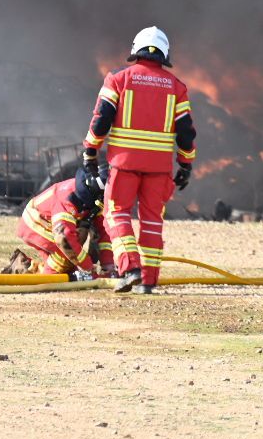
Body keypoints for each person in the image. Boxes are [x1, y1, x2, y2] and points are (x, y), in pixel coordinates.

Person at [83, 25, 195, 294]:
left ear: (136, 50)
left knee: (117, 213)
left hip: (124, 164)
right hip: (159, 169)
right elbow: (186, 132)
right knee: (153, 221)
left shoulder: (119, 80)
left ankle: (129, 268)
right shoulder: (176, 88)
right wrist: (186, 163)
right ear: (164, 54)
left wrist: (90, 151)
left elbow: (101, 121)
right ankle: (148, 281)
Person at [15, 166, 112, 278]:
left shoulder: (94, 197)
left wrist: (108, 264)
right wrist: (88, 267)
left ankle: (27, 268)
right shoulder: (69, 199)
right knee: (66, 256)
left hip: (54, 225)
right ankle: (47, 279)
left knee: (72, 260)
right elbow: (64, 238)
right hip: (35, 223)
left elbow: (103, 231)